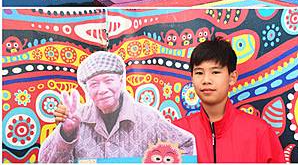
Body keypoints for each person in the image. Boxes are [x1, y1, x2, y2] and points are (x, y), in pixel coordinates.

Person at [39, 52, 196, 162]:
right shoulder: (76, 119)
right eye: (94, 84)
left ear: (121, 81)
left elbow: (185, 144)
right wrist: (67, 134)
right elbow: (45, 161)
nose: (102, 89)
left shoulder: (148, 117)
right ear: (87, 89)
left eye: (108, 81)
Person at [173, 38, 285, 163]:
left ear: (232, 77)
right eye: (199, 73)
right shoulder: (178, 132)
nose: (206, 80)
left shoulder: (260, 132)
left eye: (215, 72)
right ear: (192, 77)